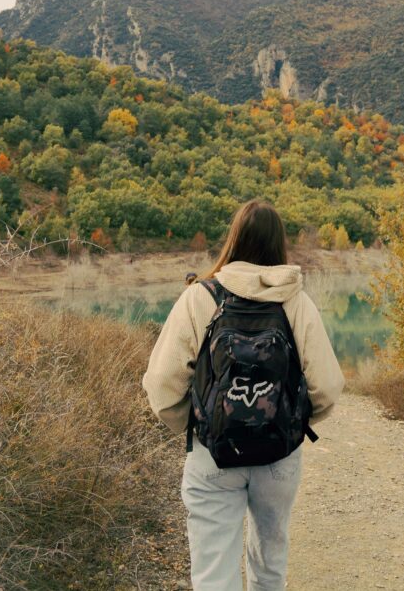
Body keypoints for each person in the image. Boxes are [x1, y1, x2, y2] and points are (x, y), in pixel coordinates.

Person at [143, 200, 345, 591]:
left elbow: (161, 385)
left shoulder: (201, 297)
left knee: (213, 571)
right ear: (278, 244)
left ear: (234, 239)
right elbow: (328, 387)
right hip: (279, 454)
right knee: (270, 565)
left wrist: (200, 425)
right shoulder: (295, 301)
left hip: (213, 453)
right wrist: (290, 423)